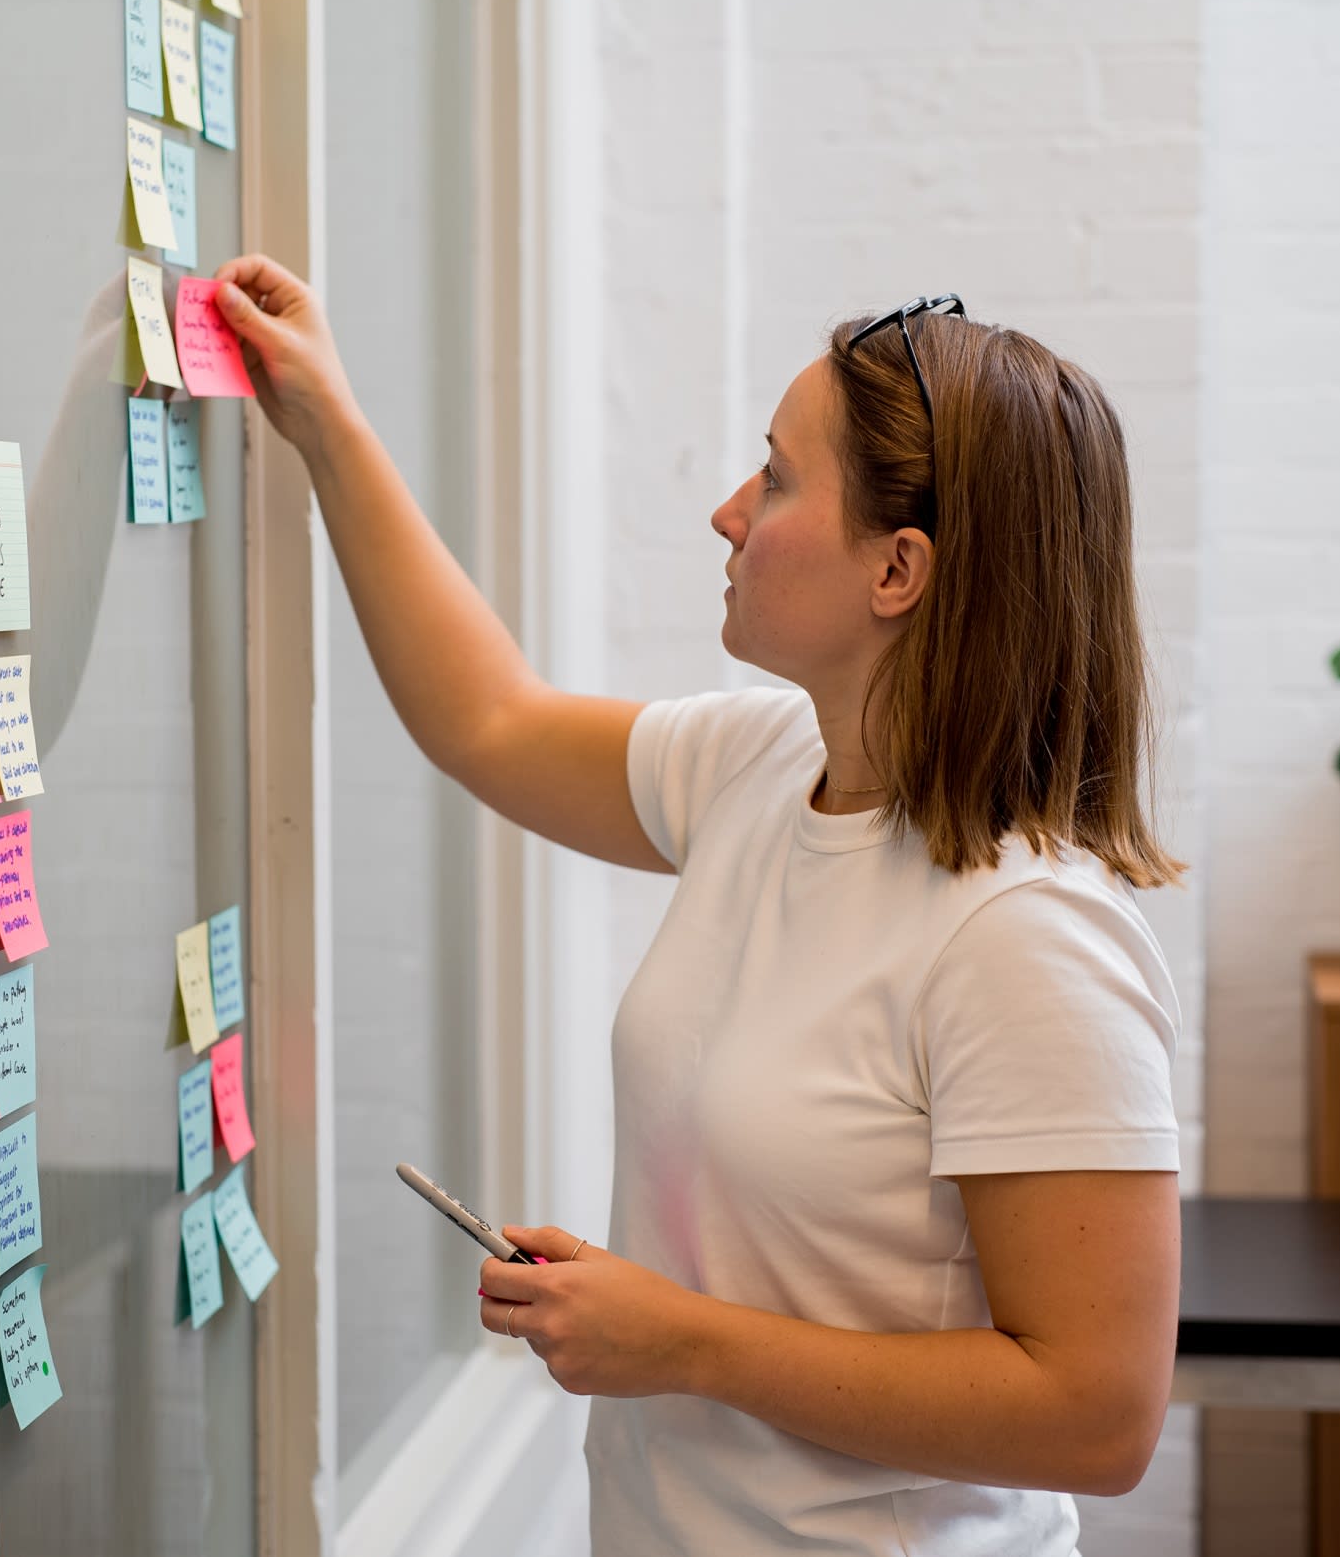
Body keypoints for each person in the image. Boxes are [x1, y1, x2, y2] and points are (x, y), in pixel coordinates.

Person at [215, 262, 1184, 1557]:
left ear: (898, 569)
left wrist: (681, 1340)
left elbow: (1096, 1415)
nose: (731, 512)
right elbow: (488, 719)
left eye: (778, 478)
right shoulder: (760, 766)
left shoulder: (1027, 933)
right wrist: (328, 420)